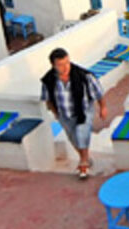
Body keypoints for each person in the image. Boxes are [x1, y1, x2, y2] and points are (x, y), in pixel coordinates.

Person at [40, 48, 107, 179]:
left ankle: (83, 163)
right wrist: (56, 114)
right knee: (73, 138)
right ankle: (85, 158)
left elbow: (99, 93)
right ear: (53, 65)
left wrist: (103, 107)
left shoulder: (84, 76)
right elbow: (48, 99)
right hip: (64, 114)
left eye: (67, 63)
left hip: (84, 111)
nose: (65, 67)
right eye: (60, 65)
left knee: (81, 134)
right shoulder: (48, 80)